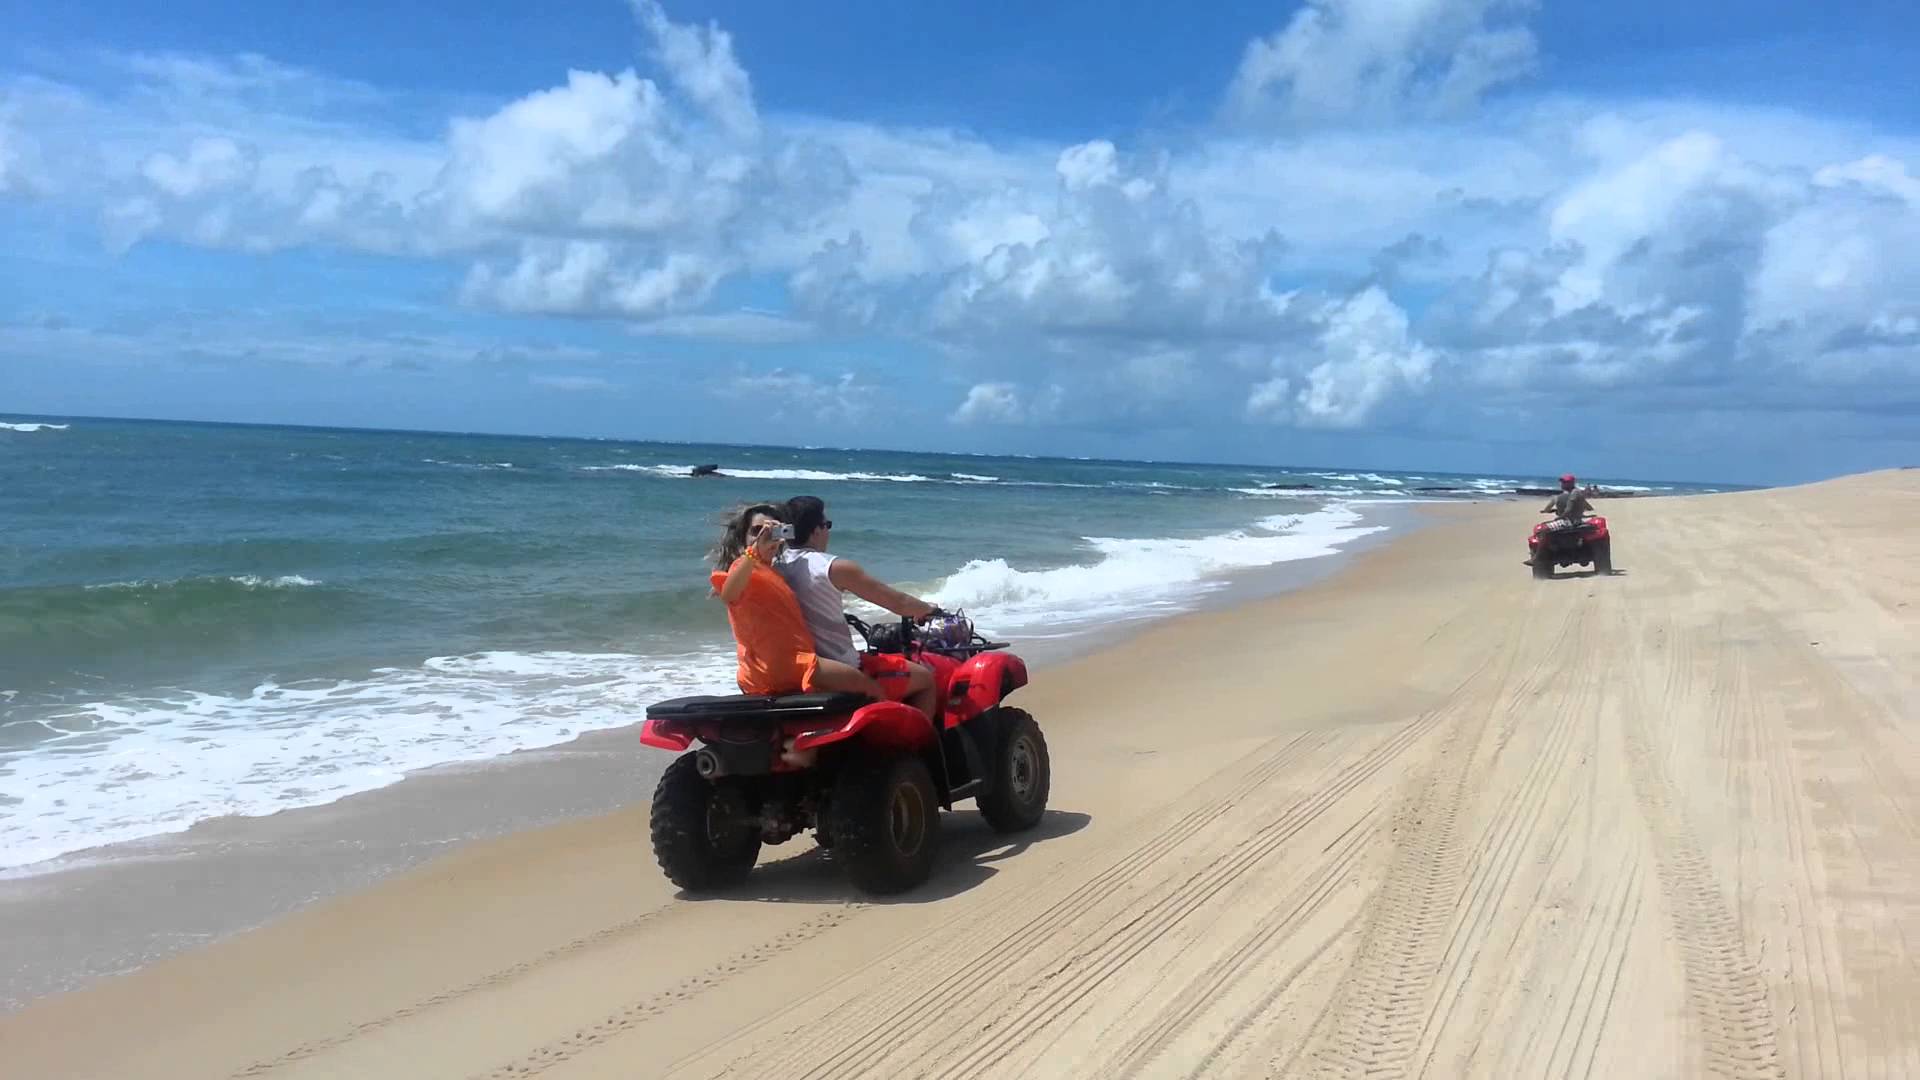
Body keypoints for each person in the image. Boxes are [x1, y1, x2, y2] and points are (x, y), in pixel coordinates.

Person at [775, 495, 940, 719]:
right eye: (827, 525)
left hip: (793, 671)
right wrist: (927, 608)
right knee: (926, 679)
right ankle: (920, 749)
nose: (828, 531)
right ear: (816, 530)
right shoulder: (832, 567)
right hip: (841, 668)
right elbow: (897, 602)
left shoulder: (774, 566)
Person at [708, 503, 884, 700]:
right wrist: (753, 551)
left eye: (770, 531)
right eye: (756, 531)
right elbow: (730, 594)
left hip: (763, 669)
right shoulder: (744, 565)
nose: (762, 536)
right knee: (871, 689)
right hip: (791, 665)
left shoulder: (771, 570)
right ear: (744, 538)